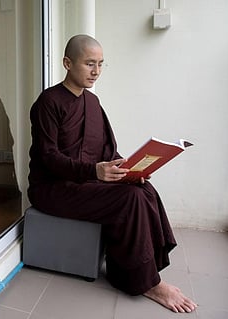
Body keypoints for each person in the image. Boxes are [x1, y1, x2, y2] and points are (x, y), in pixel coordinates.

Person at [27, 34, 197, 313]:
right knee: (130, 199)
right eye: (89, 63)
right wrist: (93, 171)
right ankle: (145, 282)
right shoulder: (49, 102)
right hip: (53, 187)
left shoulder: (92, 103)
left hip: (85, 181)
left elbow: (108, 150)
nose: (96, 72)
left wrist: (130, 169)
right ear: (67, 63)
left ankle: (140, 270)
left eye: (101, 64)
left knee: (143, 190)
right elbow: (48, 157)